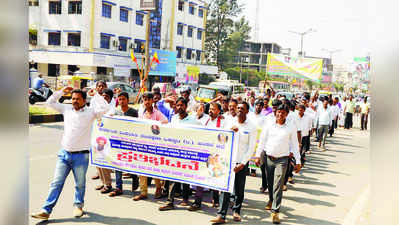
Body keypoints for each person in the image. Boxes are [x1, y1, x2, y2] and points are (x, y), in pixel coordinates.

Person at [31, 87, 110, 220]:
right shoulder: (66, 109)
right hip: (64, 154)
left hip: (81, 155)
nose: (75, 101)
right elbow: (49, 102)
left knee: (79, 184)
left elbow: (107, 108)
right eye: (73, 98)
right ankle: (46, 210)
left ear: (84, 100)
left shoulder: (91, 112)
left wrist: (96, 95)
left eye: (78, 99)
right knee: (56, 183)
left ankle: (78, 206)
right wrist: (62, 91)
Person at [210, 102, 257, 224]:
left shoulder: (251, 126)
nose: (240, 110)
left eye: (242, 108)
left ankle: (236, 211)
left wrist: (242, 163)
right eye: (238, 108)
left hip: (241, 162)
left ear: (247, 111)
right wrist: (230, 132)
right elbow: (221, 139)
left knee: (239, 189)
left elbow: (251, 148)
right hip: (228, 161)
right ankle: (221, 215)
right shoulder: (229, 122)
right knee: (225, 189)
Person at [254, 104, 301, 224]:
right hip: (269, 158)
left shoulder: (290, 127)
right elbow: (262, 141)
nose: (280, 114)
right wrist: (258, 156)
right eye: (278, 112)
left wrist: (298, 161)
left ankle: (275, 211)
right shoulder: (269, 125)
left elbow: (295, 145)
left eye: (283, 113)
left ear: (286, 114)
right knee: (270, 183)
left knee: (278, 184)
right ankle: (271, 199)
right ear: (276, 112)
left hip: (282, 160)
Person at [159, 97, 200, 211]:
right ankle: (170, 202)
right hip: (175, 152)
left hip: (188, 153)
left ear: (186, 107)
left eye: (182, 105)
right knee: (173, 176)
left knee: (187, 178)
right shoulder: (174, 118)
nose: (179, 107)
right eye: (177, 105)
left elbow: (202, 133)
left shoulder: (193, 121)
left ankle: (189, 200)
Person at [188, 102, 224, 211]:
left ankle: (216, 199)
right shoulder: (206, 120)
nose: (210, 110)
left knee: (215, 177)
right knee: (201, 177)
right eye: (210, 109)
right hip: (205, 152)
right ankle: (197, 202)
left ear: (218, 111)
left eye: (213, 109)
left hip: (217, 154)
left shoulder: (223, 122)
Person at [133, 92, 168, 201]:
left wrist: (155, 126)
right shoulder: (141, 113)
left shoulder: (157, 113)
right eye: (144, 100)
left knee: (155, 168)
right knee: (142, 168)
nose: (147, 102)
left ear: (153, 101)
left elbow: (166, 122)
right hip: (143, 144)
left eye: (149, 99)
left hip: (154, 145)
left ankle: (158, 188)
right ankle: (143, 192)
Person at [108, 92, 139, 197]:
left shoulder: (133, 112)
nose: (121, 101)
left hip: (130, 142)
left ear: (127, 100)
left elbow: (137, 126)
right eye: (119, 99)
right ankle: (118, 187)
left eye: (123, 99)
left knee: (131, 162)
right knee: (117, 164)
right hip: (118, 142)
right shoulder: (116, 112)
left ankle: (135, 177)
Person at [95, 88, 116, 194]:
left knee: (104, 161)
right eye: (102, 96)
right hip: (97, 137)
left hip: (107, 139)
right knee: (98, 161)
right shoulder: (98, 106)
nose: (104, 98)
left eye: (106, 97)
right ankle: (103, 182)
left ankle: (108, 184)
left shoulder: (112, 109)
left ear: (110, 98)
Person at [248, 99, 266, 177]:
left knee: (254, 154)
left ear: (262, 107)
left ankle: (253, 170)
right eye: (257, 105)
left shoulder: (264, 118)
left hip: (258, 138)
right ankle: (246, 169)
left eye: (260, 106)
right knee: (248, 152)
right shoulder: (249, 115)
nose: (258, 107)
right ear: (255, 106)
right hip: (249, 136)